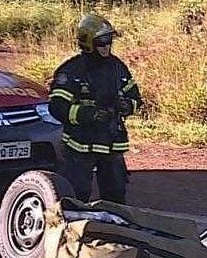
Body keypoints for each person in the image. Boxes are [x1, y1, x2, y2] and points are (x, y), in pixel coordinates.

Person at [48, 13, 143, 204]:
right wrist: (86, 114)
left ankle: (112, 229)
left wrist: (127, 106)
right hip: (80, 145)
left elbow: (135, 97)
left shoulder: (117, 67)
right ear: (88, 43)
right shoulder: (71, 70)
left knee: (115, 194)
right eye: (102, 42)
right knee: (76, 194)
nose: (107, 46)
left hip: (112, 141)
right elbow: (57, 106)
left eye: (109, 41)